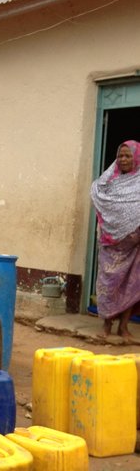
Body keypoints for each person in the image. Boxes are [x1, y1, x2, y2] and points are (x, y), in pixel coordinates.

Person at [90, 139, 140, 341]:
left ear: (136, 157)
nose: (123, 159)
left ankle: (124, 327)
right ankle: (106, 326)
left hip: (136, 246)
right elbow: (98, 195)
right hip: (111, 244)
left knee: (132, 284)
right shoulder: (107, 181)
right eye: (120, 155)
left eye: (128, 155)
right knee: (108, 281)